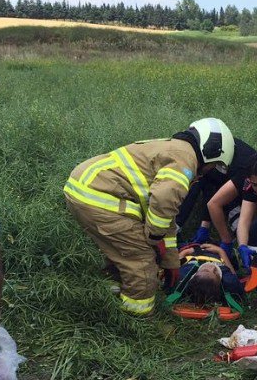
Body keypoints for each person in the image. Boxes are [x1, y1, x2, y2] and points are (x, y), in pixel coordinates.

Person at [64, 118, 235, 316]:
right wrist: (154, 240)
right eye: (214, 165)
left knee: (123, 252)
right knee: (142, 262)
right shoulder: (185, 160)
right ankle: (137, 318)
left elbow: (167, 217)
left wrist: (171, 262)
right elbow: (163, 200)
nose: (209, 171)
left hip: (85, 189)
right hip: (100, 197)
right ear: (211, 150)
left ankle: (110, 295)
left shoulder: (175, 148)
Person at [176, 137, 256, 248]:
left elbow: (215, 201)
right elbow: (212, 193)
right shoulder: (204, 164)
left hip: (241, 188)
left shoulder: (242, 171)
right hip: (234, 186)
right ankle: (176, 227)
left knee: (248, 232)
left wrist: (226, 240)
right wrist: (205, 224)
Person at [167, 241, 245, 313]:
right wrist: (220, 251)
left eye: (204, 270)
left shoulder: (184, 276)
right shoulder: (227, 279)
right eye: (211, 271)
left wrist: (186, 251)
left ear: (195, 275)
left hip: (191, 252)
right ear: (215, 272)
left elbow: (177, 263)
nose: (209, 266)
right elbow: (232, 273)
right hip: (216, 254)